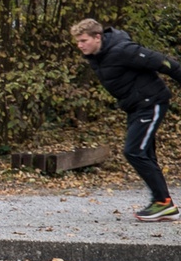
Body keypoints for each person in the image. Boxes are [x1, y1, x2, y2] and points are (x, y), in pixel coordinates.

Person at [74, 19, 181, 221]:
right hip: (135, 107)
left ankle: (164, 203)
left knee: (134, 151)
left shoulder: (123, 50)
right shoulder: (97, 56)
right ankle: (162, 202)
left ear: (97, 37)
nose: (80, 45)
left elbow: (165, 63)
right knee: (145, 153)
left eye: (83, 40)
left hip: (151, 103)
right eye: (78, 41)